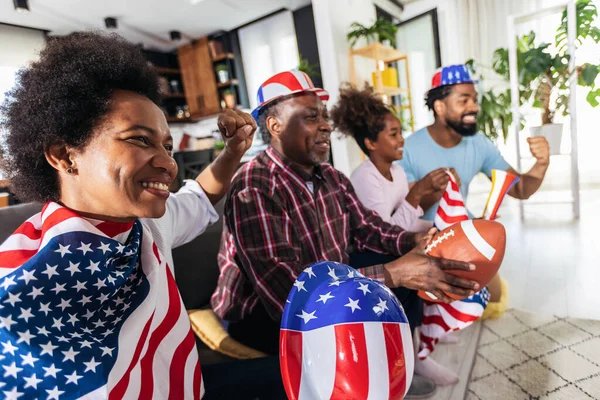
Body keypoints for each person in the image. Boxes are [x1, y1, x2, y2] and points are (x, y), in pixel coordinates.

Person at [0, 32, 284, 399]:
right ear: (65, 155)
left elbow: (199, 197)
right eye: (139, 139)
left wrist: (234, 151)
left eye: (167, 146)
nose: (168, 164)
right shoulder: (17, 281)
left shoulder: (147, 226)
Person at [211, 70, 480, 397]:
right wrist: (395, 274)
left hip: (325, 287)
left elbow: (369, 228)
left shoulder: (330, 176)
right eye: (312, 117)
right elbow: (292, 297)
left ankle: (394, 367)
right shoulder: (254, 186)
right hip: (261, 316)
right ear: (275, 126)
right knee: (395, 276)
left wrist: (416, 241)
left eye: (324, 116)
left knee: (403, 262)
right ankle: (364, 378)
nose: (326, 125)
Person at [400, 64, 550, 317]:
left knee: (493, 300)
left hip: (462, 232)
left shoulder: (479, 143)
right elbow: (405, 212)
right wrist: (438, 192)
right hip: (419, 237)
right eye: (464, 100)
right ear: (440, 107)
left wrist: (542, 163)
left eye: (475, 99)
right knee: (433, 306)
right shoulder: (408, 148)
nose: (474, 107)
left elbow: (521, 189)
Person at [330, 83, 447, 232]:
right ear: (371, 143)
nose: (402, 139)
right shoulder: (365, 177)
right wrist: (417, 191)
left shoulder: (397, 172)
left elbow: (408, 222)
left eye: (400, 133)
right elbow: (386, 233)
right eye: (393, 134)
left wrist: (440, 228)